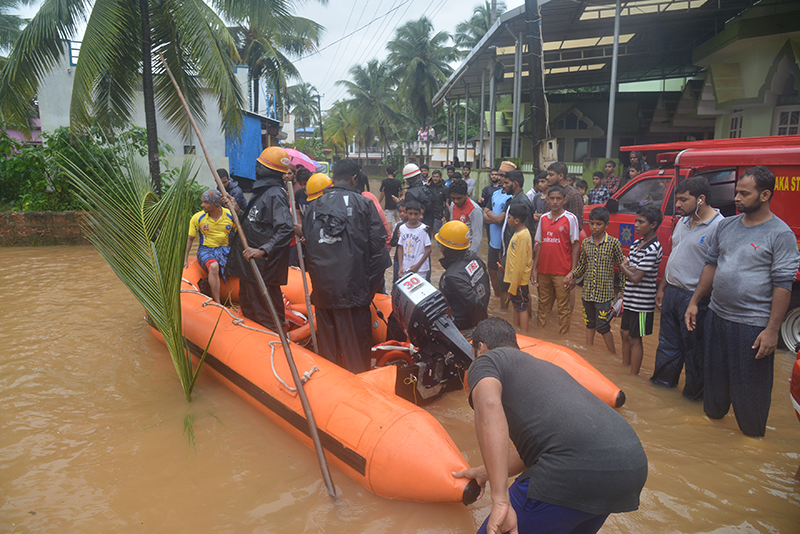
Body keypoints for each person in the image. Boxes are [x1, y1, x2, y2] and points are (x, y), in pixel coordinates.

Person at [454, 317, 648, 534]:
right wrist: (484, 473)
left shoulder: (487, 360)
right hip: (627, 469)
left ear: (480, 347)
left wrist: (500, 499)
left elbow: (488, 404)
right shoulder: (543, 368)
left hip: (575, 470)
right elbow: (537, 451)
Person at [685, 165, 800, 437]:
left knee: (751, 392)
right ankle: (712, 433)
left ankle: (751, 441)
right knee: (714, 386)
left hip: (752, 326)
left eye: (744, 193)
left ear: (765, 195)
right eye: (737, 192)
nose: (736, 198)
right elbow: (711, 266)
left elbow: (783, 284)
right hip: (716, 316)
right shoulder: (726, 226)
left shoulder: (779, 234)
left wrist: (772, 331)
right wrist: (694, 301)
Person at [302, 159, 391, 373]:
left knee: (328, 354)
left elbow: (309, 252)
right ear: (354, 178)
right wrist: (366, 290)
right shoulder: (364, 204)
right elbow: (380, 252)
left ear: (333, 177)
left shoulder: (313, 207)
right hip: (353, 293)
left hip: (323, 293)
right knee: (356, 357)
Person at [651, 177, 724, 399]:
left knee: (695, 352)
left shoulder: (719, 226)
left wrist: (694, 301)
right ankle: (660, 391)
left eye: (684, 199)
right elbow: (675, 256)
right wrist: (662, 287)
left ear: (700, 199)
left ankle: (693, 399)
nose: (678, 204)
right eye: (678, 199)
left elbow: (713, 268)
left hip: (695, 298)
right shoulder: (683, 221)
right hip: (672, 291)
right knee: (667, 346)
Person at [225, 146, 294, 332]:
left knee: (265, 313)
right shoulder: (262, 192)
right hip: (249, 266)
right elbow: (255, 224)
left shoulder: (274, 194)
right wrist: (237, 211)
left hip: (262, 266)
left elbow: (286, 228)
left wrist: (263, 250)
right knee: (248, 307)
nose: (255, 167)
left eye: (259, 165)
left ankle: (275, 344)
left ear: (269, 169)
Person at [565, 207, 625, 354]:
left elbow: (622, 268)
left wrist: (623, 291)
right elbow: (582, 266)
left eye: (598, 224)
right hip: (587, 293)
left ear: (606, 225)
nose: (594, 227)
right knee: (589, 324)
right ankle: (589, 351)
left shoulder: (613, 243)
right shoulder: (585, 244)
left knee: (603, 326)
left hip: (604, 294)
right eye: (592, 223)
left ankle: (613, 355)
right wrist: (572, 274)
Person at [619, 205, 663, 375]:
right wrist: (627, 269)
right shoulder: (637, 243)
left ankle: (633, 375)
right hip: (630, 299)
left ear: (653, 225)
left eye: (641, 222)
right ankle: (625, 367)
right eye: (636, 221)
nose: (636, 225)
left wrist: (624, 268)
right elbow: (631, 269)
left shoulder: (653, 248)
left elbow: (636, 277)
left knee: (636, 338)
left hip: (643, 305)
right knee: (624, 332)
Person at [532, 185, 580, 335]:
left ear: (564, 200)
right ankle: (541, 334)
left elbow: (575, 246)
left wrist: (573, 271)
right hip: (543, 270)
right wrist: (534, 269)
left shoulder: (570, 219)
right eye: (552, 198)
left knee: (563, 308)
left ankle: (563, 339)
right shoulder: (543, 219)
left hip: (562, 272)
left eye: (558, 198)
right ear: (547, 199)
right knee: (542, 305)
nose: (555, 202)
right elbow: (539, 244)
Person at [435, 220, 490, 332]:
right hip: (479, 313)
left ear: (447, 248)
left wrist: (480, 328)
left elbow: (474, 303)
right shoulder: (473, 257)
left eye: (441, 244)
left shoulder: (452, 276)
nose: (440, 248)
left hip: (462, 324)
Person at [184, 189, 236, 304]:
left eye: (206, 202)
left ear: (215, 204)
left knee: (240, 265)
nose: (202, 205)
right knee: (213, 266)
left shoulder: (230, 215)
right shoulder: (198, 218)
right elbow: (190, 239)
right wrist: (185, 258)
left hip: (225, 248)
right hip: (206, 249)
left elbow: (239, 235)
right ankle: (217, 302)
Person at [482, 163, 514, 307]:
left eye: (502, 176)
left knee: (505, 277)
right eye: (499, 175)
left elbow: (502, 219)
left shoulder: (511, 198)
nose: (499, 178)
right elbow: (485, 215)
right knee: (491, 270)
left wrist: (490, 215)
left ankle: (505, 307)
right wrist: (493, 215)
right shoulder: (495, 193)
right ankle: (497, 299)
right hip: (492, 241)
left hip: (504, 244)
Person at [504, 204, 533, 334]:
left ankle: (525, 332)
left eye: (508, 217)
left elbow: (520, 263)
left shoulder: (522, 236)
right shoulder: (518, 233)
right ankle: (516, 329)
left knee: (522, 306)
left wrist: (514, 284)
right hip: (515, 279)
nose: (507, 220)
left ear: (516, 220)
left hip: (519, 280)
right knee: (516, 305)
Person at [397, 200, 432, 280]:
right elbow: (400, 248)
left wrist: (417, 266)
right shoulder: (402, 228)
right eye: (410, 214)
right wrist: (400, 267)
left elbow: (429, 249)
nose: (413, 217)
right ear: (406, 213)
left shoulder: (424, 229)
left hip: (420, 269)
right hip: (405, 268)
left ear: (420, 214)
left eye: (416, 214)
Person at [449, 179, 482, 255]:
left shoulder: (475, 210)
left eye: (459, 198)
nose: (456, 201)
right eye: (453, 198)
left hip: (468, 250)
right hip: (455, 247)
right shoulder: (452, 205)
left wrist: (471, 254)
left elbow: (477, 237)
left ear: (467, 194)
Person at [400, 163, 435, 234]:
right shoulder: (427, 189)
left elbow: (407, 213)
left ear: (407, 180)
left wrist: (399, 203)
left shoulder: (410, 193)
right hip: (428, 226)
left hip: (415, 228)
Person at [546, 161, 584, 228]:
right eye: (548, 175)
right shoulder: (550, 192)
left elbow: (576, 225)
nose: (547, 177)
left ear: (561, 176)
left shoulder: (574, 195)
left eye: (551, 175)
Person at [388, 202, 408, 283]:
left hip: (409, 259)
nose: (402, 214)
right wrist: (397, 236)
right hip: (398, 259)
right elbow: (392, 243)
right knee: (396, 282)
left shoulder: (417, 226)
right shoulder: (398, 225)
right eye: (400, 211)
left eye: (404, 211)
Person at [527, 171, 550, 236]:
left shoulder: (552, 197)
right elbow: (531, 213)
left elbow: (550, 216)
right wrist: (535, 216)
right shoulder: (537, 196)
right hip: (537, 229)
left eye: (543, 181)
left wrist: (540, 216)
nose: (540, 184)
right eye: (539, 182)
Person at [426, 169, 449, 235]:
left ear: (440, 178)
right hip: (428, 215)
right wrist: (426, 185)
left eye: (437, 177)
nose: (435, 178)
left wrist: (445, 216)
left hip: (438, 215)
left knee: (438, 234)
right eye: (433, 176)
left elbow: (447, 203)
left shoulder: (445, 189)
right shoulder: (428, 187)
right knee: (426, 234)